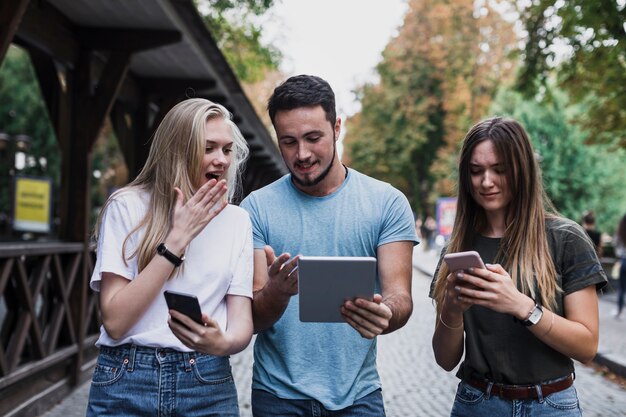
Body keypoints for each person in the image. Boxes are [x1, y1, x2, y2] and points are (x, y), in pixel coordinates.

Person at [239, 75, 418, 416]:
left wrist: (385, 313)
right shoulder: (256, 208)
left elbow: (401, 297)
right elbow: (252, 320)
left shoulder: (387, 203)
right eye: (288, 141)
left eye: (313, 138)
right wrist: (275, 293)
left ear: (337, 128)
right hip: (277, 396)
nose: (302, 154)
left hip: (359, 394)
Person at [87, 98, 254, 417]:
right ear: (179, 150)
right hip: (126, 376)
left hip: (205, 378)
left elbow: (241, 324)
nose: (221, 160)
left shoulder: (237, 221)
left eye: (227, 149)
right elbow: (116, 322)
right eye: (208, 148)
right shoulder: (127, 206)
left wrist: (224, 343)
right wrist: (176, 242)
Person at [430, 117, 606, 416]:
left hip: (551, 405)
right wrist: (451, 309)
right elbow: (446, 359)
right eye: (476, 171)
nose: (486, 181)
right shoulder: (457, 249)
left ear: (522, 170)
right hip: (477, 403)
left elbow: (586, 347)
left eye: (499, 170)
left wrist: (522, 306)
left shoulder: (565, 238)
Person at [614, 213, 626, 319]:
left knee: (621, 288)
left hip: (623, 261)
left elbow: (616, 246)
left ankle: (619, 311)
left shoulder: (621, 232)